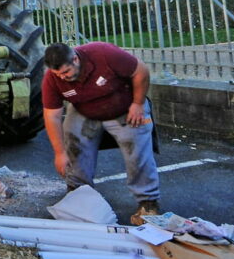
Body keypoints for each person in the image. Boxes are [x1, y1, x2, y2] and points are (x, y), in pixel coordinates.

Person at [42, 42, 160, 225]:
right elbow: (52, 116)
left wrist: (138, 103)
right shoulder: (52, 78)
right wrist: (59, 152)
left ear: (75, 59)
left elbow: (141, 71)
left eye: (65, 72)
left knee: (137, 149)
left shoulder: (104, 54)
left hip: (126, 106)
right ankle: (78, 195)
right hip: (85, 110)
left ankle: (148, 202)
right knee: (72, 140)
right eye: (58, 74)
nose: (62, 78)